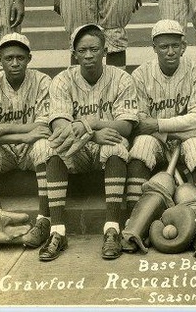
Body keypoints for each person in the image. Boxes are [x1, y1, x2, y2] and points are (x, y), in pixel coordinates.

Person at [126, 19, 196, 248]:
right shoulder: (141, 75)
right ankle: (133, 225)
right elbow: (142, 124)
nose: (170, 51)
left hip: (182, 138)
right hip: (160, 139)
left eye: (175, 45)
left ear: (184, 46)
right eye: (164, 46)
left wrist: (160, 125)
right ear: (154, 48)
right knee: (141, 145)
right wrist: (179, 131)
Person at [41, 23, 138, 261]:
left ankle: (112, 228)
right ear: (74, 54)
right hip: (80, 149)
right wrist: (93, 133)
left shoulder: (122, 78)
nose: (88, 56)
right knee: (53, 147)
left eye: (94, 49)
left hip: (106, 148)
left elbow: (125, 126)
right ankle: (57, 231)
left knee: (115, 145)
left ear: (105, 51)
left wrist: (88, 124)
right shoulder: (63, 80)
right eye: (82, 51)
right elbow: (60, 127)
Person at [0, 32, 54, 251]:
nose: (15, 63)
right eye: (9, 58)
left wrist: (1, 129)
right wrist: (25, 134)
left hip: (30, 150)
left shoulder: (43, 81)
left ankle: (44, 220)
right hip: (5, 151)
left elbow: (44, 128)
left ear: (29, 58)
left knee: (45, 146)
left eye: (20, 57)